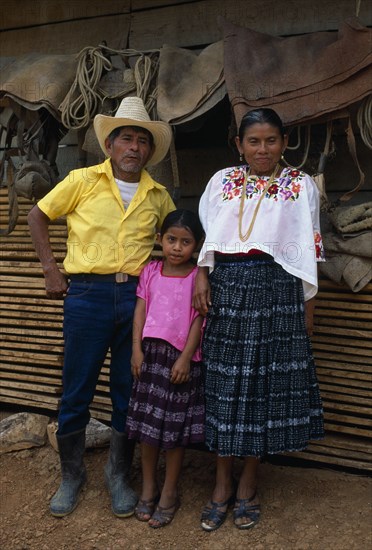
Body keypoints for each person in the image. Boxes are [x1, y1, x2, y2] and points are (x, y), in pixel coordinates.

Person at [27, 96, 176, 518]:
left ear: (150, 151)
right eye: (126, 139)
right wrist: (50, 270)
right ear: (109, 145)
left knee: (129, 390)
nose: (134, 148)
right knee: (77, 388)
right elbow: (38, 216)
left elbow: (176, 241)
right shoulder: (82, 180)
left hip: (136, 299)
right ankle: (71, 476)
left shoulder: (158, 195)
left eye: (142, 142)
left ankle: (117, 475)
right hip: (88, 296)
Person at [192, 107, 325, 532]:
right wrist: (202, 275)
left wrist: (308, 309)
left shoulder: (301, 185)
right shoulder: (220, 182)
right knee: (226, 384)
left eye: (270, 140)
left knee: (265, 388)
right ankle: (220, 483)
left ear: (284, 142)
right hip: (229, 286)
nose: (262, 149)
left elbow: (310, 248)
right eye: (254, 141)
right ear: (239, 144)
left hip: (279, 289)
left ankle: (248, 480)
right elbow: (209, 237)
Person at [125, 209, 205, 529]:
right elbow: (140, 311)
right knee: (148, 430)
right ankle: (148, 487)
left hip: (180, 362)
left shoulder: (198, 277)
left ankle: (169, 492)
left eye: (185, 242)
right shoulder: (151, 271)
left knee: (174, 431)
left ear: (196, 246)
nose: (176, 247)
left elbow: (199, 320)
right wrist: (135, 349)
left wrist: (186, 357)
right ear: (159, 240)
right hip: (151, 357)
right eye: (171, 239)